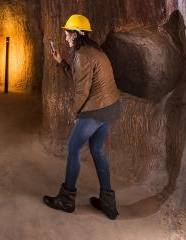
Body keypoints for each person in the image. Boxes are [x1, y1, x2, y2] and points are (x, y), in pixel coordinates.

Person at [43, 14, 121, 220]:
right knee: (97, 149)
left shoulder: (83, 55)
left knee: (73, 148)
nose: (66, 37)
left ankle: (67, 199)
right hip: (109, 107)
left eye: (68, 33)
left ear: (77, 34)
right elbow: (79, 78)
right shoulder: (92, 50)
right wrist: (61, 62)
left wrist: (74, 114)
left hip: (95, 110)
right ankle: (108, 202)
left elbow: (81, 92)